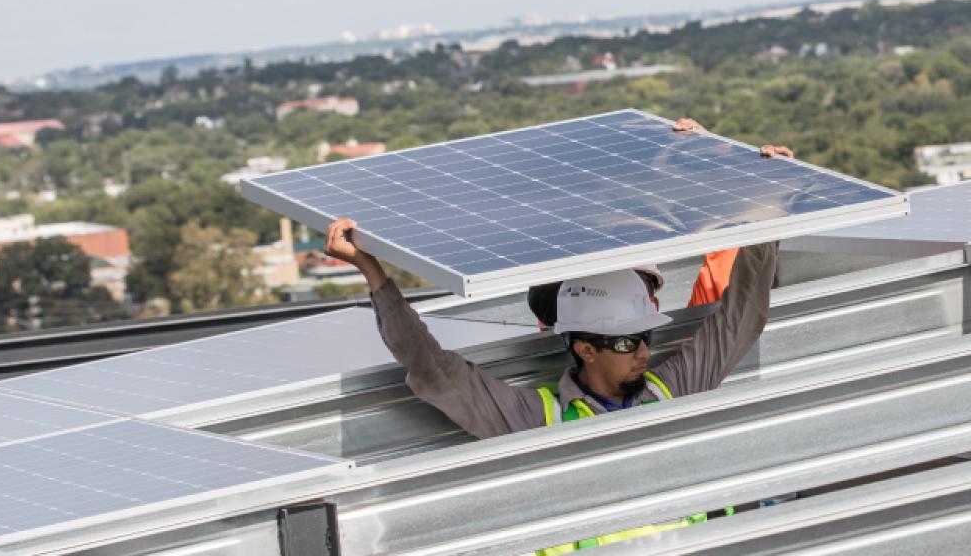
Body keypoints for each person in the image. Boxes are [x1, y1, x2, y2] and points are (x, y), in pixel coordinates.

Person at [322, 122, 788, 552]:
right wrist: (372, 271)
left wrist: (766, 209)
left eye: (644, 335)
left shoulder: (672, 389)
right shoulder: (538, 419)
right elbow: (434, 369)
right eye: (627, 342)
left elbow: (742, 316)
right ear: (585, 348)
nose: (644, 351)